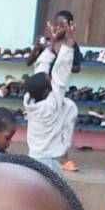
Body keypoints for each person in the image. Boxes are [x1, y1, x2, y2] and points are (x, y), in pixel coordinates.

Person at [27, 11, 82, 173]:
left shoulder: (29, 100)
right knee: (53, 193)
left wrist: (52, 45)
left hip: (33, 156)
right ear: (47, 91)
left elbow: (42, 67)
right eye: (49, 83)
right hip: (48, 162)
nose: (52, 82)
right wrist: (69, 42)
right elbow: (60, 74)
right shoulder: (52, 105)